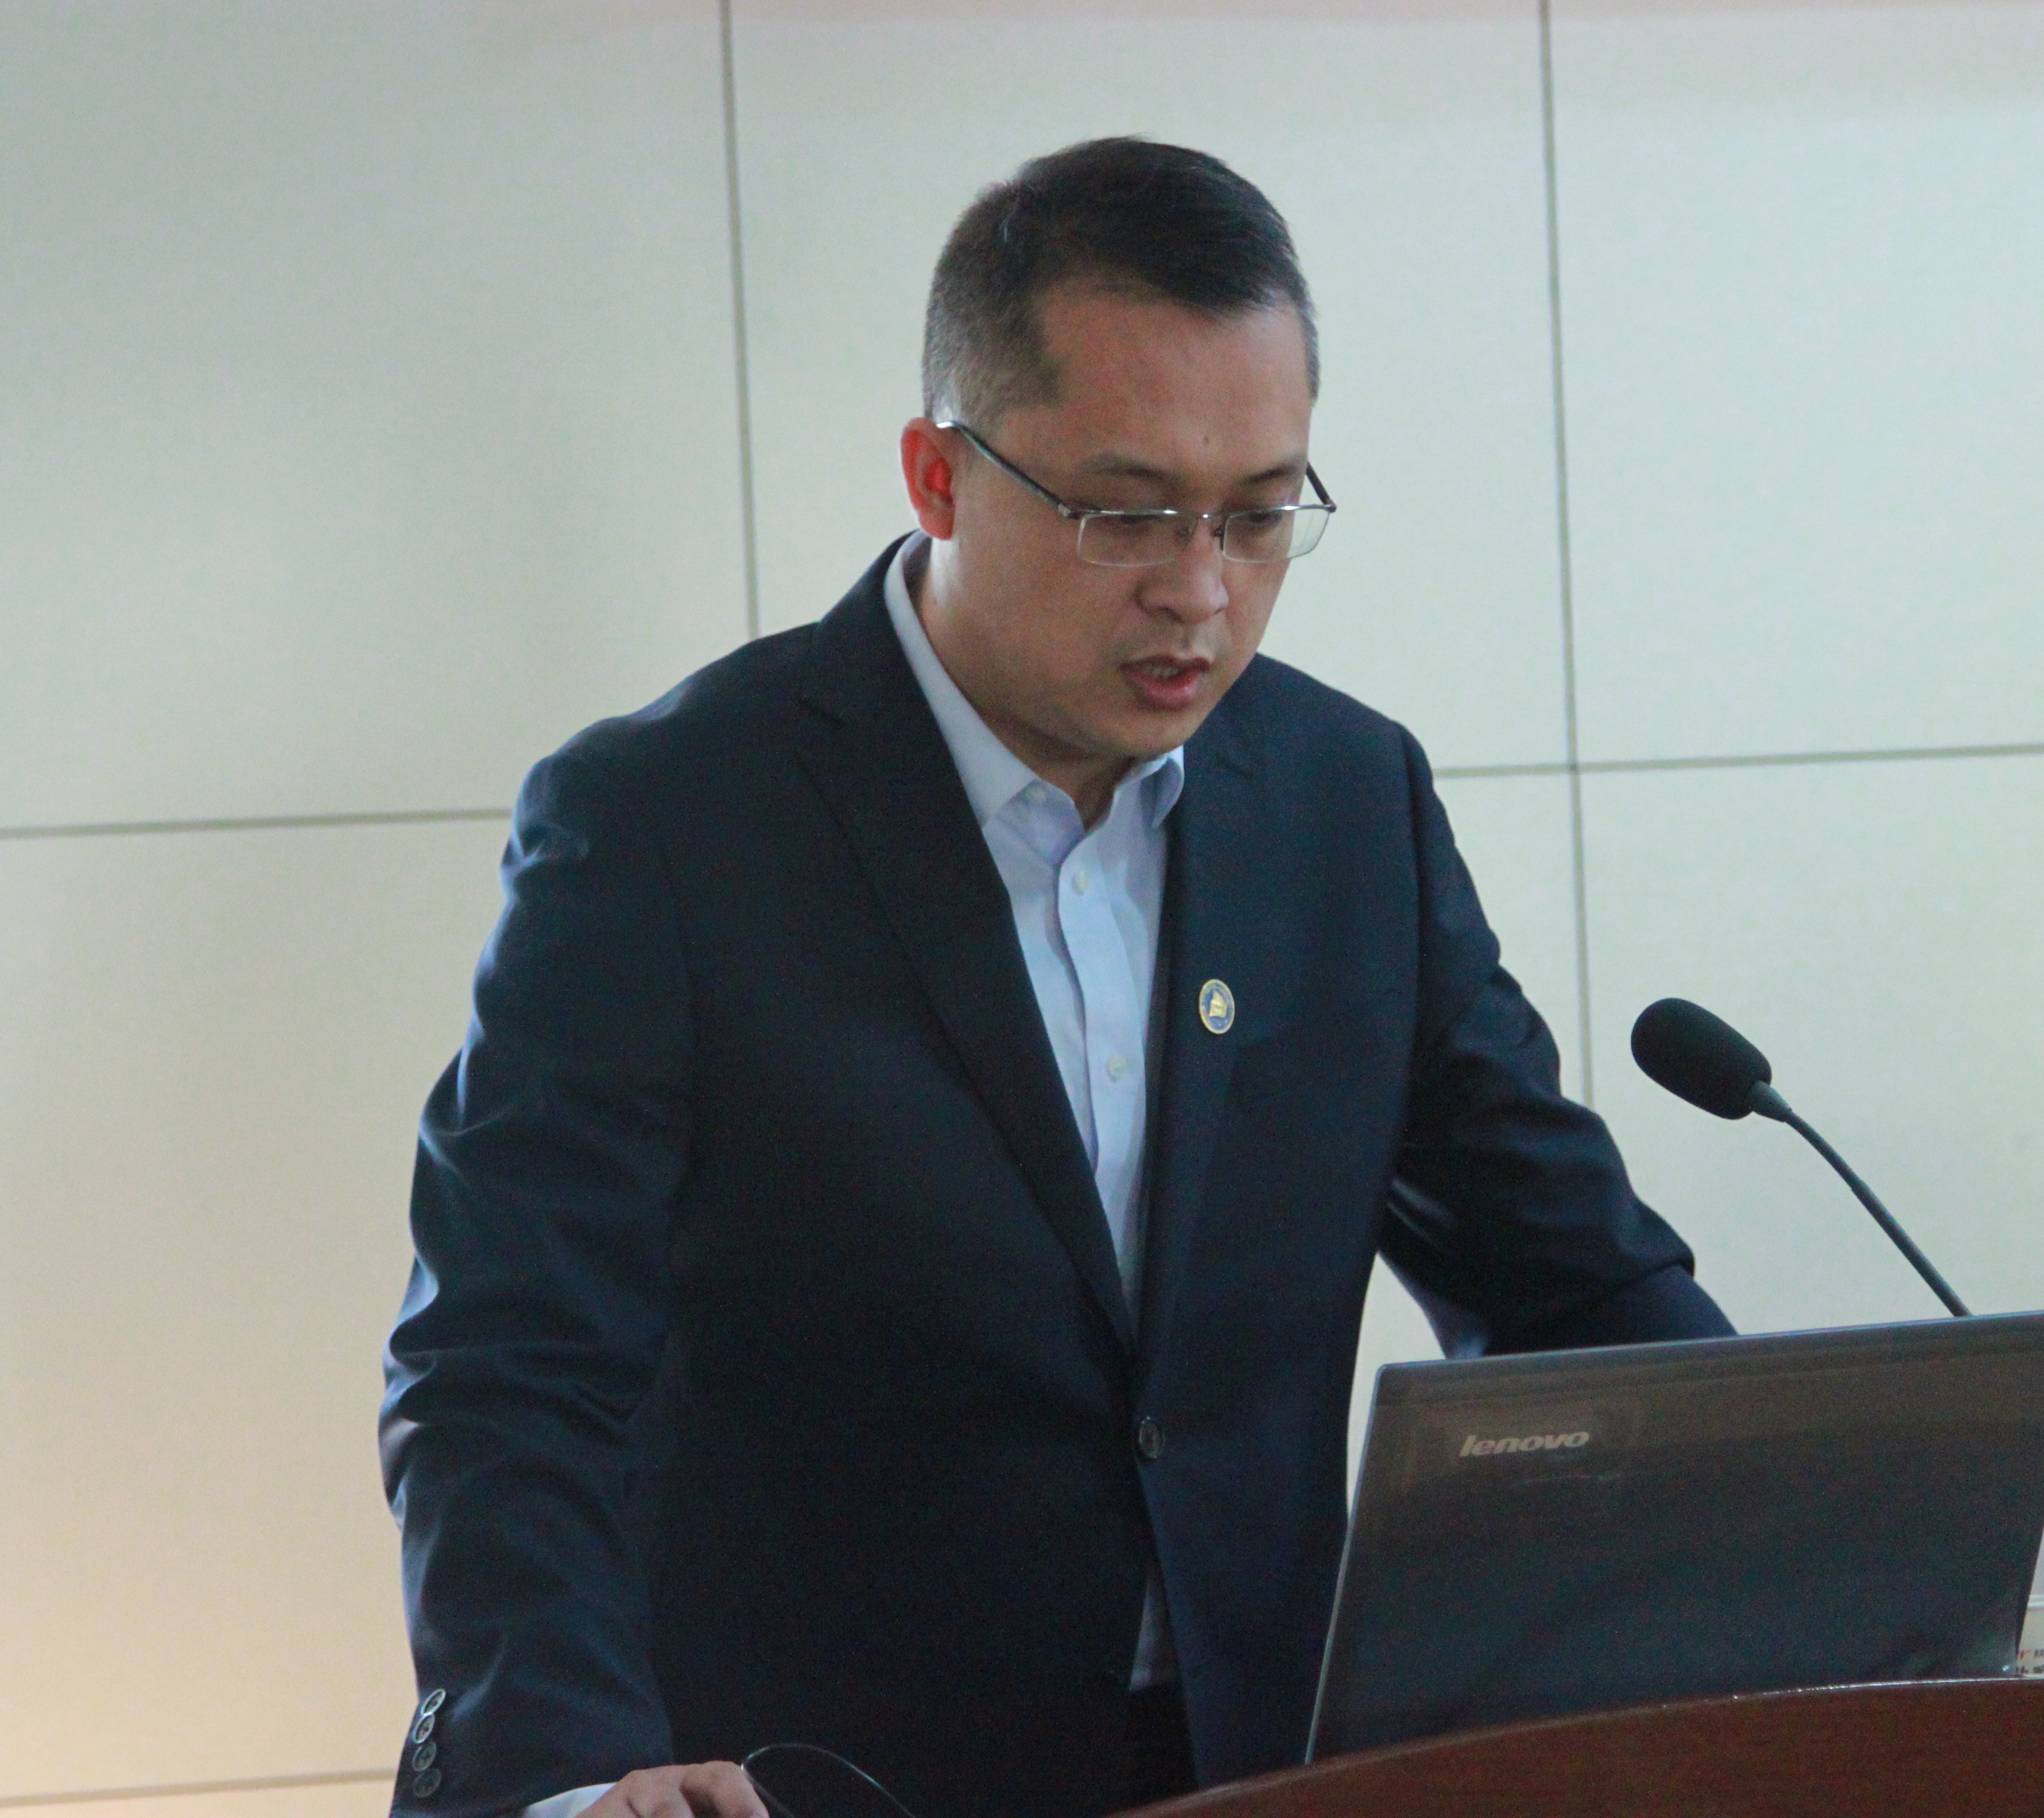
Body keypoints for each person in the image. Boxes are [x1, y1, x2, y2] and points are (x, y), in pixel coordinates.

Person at [381, 137, 1731, 1818]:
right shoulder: (669, 822)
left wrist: (1831, 1540)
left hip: (1256, 1773)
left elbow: (1571, 1291)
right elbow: (506, 1371)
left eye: (1261, 516)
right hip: (811, 1780)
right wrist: (575, 1773)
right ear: (938, 478)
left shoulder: (1342, 804)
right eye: (1125, 514)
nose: (1201, 590)